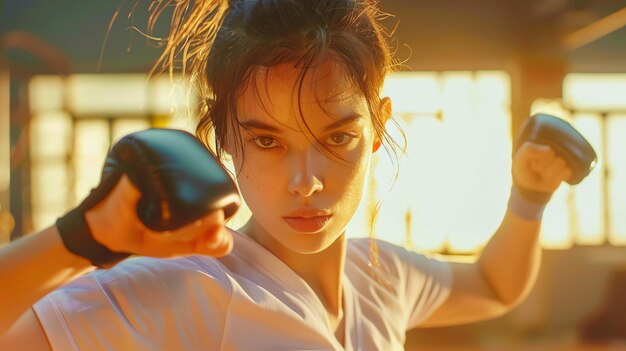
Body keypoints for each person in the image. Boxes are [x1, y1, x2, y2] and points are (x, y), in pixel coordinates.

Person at [0, 0, 574, 349]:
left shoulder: (381, 276)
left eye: (337, 137)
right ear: (224, 136)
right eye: (267, 140)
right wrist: (83, 239)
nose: (306, 181)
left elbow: (494, 287)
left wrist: (530, 196)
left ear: (378, 127)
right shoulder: (196, 289)